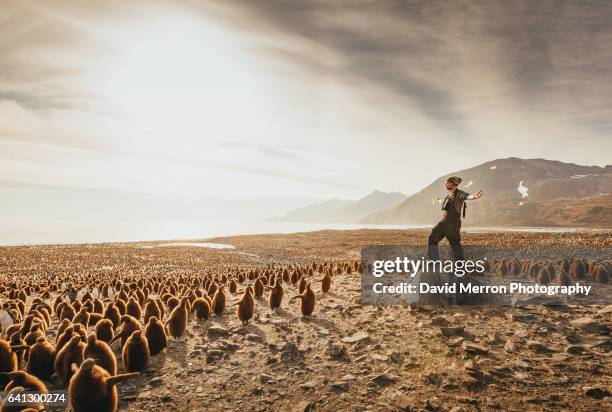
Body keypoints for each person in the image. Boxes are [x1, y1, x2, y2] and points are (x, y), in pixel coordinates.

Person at [428, 176, 483, 260]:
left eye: (447, 183)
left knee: (456, 248)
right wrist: (438, 201)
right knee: (432, 239)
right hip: (443, 223)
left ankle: (460, 270)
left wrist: (474, 197)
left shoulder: (460, 194)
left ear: (453, 184)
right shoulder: (449, 195)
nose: (445, 184)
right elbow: (444, 202)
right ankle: (434, 263)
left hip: (453, 225)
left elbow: (467, 196)